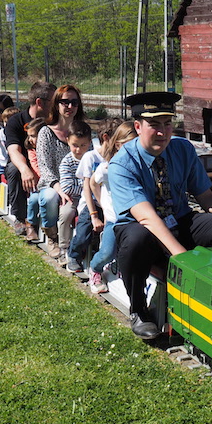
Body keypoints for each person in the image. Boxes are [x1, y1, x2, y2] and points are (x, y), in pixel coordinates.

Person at [111, 92, 212, 339]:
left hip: (179, 219)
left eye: (168, 124)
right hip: (144, 230)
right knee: (136, 239)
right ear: (138, 127)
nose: (163, 133)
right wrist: (183, 260)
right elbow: (147, 218)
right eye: (154, 125)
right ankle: (139, 309)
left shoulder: (182, 149)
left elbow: (205, 197)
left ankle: (210, 289)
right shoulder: (122, 164)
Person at [66, 117, 122, 273]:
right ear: (106, 138)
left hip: (110, 206)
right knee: (83, 232)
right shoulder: (91, 157)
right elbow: (87, 188)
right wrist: (93, 215)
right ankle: (73, 254)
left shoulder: (117, 158)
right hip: (92, 205)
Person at [36, 84, 86, 258]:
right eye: (65, 102)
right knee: (50, 197)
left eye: (74, 102)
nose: (70, 107)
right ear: (56, 104)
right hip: (53, 185)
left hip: (79, 185)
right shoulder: (46, 133)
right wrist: (61, 189)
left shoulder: (83, 132)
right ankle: (52, 238)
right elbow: (45, 169)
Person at [87, 121, 137, 294]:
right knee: (107, 252)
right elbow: (93, 183)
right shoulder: (107, 168)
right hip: (114, 220)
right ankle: (95, 268)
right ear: (118, 145)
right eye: (128, 145)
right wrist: (103, 204)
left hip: (134, 220)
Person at [4, 81, 57, 236]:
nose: (57, 106)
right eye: (54, 102)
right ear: (39, 102)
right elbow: (13, 150)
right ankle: (20, 217)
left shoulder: (53, 121)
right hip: (24, 163)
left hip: (47, 164)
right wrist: (25, 169)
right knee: (14, 169)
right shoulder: (16, 121)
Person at [55, 121, 92, 260]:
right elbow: (67, 187)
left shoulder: (92, 158)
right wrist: (88, 187)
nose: (78, 149)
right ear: (68, 141)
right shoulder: (67, 162)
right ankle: (64, 246)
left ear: (89, 142)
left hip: (92, 198)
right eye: (75, 145)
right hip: (73, 199)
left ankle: (88, 246)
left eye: (83, 145)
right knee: (66, 214)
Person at [23, 117, 45, 242]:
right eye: (29, 136)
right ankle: (30, 224)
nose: (30, 139)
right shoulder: (32, 150)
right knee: (34, 199)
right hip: (39, 183)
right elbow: (36, 167)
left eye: (33, 136)